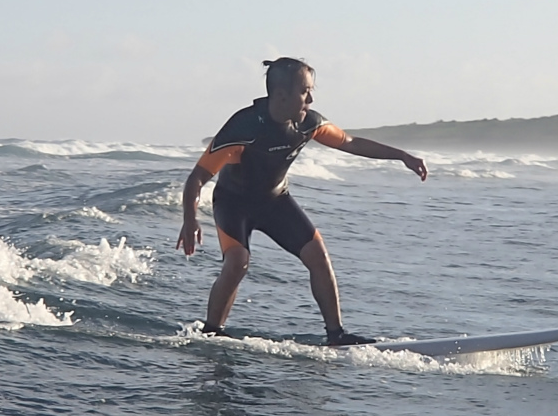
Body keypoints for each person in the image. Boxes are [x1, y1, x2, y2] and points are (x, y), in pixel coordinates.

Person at [176, 57, 428, 345]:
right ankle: (212, 331)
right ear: (282, 95)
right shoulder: (243, 127)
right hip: (234, 203)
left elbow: (350, 142)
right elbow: (197, 178)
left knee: (318, 256)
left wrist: (402, 156)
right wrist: (190, 219)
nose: (311, 97)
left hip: (275, 200)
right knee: (237, 262)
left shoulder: (308, 123)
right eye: (305, 91)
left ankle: (336, 334)